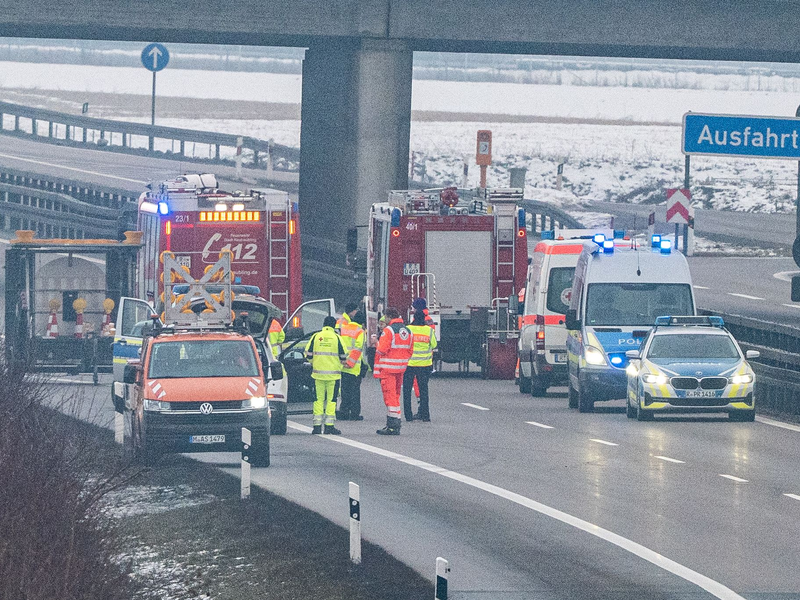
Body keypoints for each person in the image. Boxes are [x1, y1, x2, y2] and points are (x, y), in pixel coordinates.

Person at [373, 307, 413, 435]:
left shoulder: (388, 330)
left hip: (388, 369)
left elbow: (381, 350)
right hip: (401, 368)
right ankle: (395, 423)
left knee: (390, 398)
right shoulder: (408, 331)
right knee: (395, 396)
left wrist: (376, 343)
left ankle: (393, 425)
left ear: (389, 317)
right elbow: (410, 350)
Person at [304, 316, 346, 435]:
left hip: (317, 375)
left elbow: (308, 354)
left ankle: (317, 426)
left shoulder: (316, 337)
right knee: (331, 401)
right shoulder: (337, 338)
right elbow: (344, 356)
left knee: (318, 400)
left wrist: (315, 363)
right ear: (334, 326)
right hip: (333, 376)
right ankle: (329, 426)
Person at [403, 310, 437, 422]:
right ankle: (425, 415)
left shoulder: (408, 329)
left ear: (413, 318)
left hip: (409, 364)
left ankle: (408, 416)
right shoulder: (429, 330)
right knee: (424, 390)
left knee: (407, 390)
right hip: (424, 365)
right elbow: (434, 344)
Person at [338, 310, 368, 420]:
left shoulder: (344, 328)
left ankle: (344, 411)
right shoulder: (360, 331)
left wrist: (343, 361)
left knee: (345, 390)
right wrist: (351, 363)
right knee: (355, 391)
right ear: (362, 322)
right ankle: (354, 414)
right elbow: (358, 349)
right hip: (354, 366)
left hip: (342, 364)